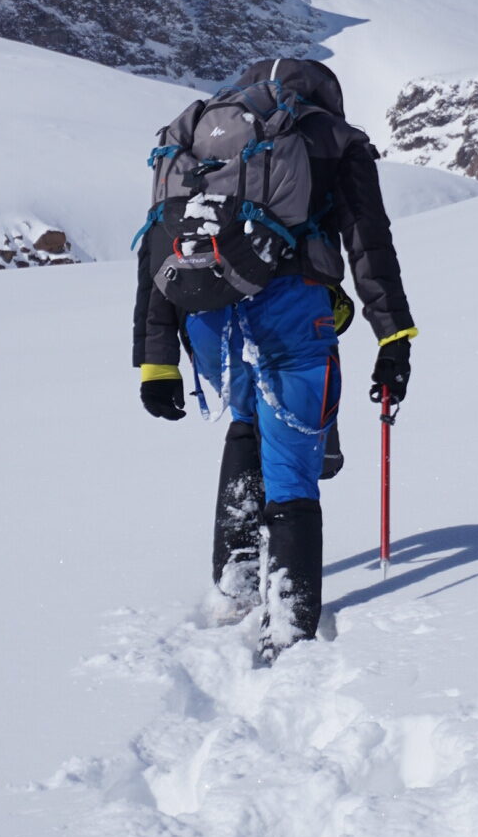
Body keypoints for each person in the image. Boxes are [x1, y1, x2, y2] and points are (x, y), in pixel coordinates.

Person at [132, 57, 416, 658]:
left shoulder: (195, 141)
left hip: (207, 312)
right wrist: (393, 337)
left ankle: (235, 583)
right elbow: (369, 242)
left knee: (244, 423)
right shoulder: (335, 140)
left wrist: (156, 361)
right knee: (289, 458)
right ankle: (289, 630)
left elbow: (157, 245)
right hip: (289, 311)